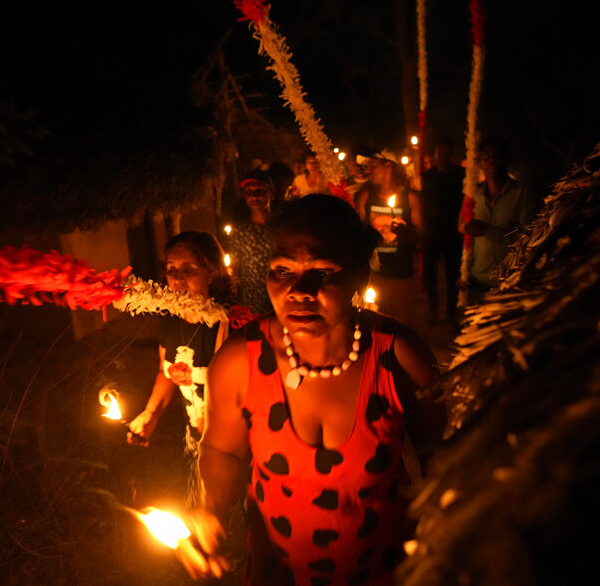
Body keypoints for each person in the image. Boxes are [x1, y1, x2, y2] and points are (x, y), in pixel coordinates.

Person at [177, 195, 446, 584]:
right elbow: (222, 449)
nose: (298, 291)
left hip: (382, 570)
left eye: (321, 272)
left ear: (360, 276)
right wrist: (209, 509)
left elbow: (440, 458)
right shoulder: (240, 360)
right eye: (282, 270)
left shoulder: (399, 356)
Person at [127, 232, 233, 451]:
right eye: (171, 270)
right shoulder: (171, 318)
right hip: (194, 440)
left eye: (188, 269)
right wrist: (151, 413)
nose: (177, 279)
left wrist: (216, 418)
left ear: (211, 273)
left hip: (229, 445)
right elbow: (165, 371)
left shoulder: (227, 323)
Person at [460, 138, 538, 303]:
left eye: (496, 156)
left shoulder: (522, 193)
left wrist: (487, 231)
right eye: (486, 157)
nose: (491, 160)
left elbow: (528, 240)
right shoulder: (473, 195)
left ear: (507, 159)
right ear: (480, 163)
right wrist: (464, 272)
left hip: (510, 282)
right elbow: (468, 238)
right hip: (477, 282)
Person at [354, 149, 424, 328]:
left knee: (400, 326)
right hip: (371, 275)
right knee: (370, 326)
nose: (368, 171)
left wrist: (405, 231)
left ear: (388, 166)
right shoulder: (366, 196)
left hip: (400, 274)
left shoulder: (410, 198)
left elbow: (423, 237)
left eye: (373, 166)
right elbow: (355, 232)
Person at [420, 136, 465, 326]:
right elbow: (424, 201)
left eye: (447, 153)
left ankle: (450, 311)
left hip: (453, 231)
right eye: (440, 153)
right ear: (435, 154)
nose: (443, 156)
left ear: (452, 154)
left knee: (452, 273)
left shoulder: (461, 174)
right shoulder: (428, 176)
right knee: (429, 273)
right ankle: (433, 307)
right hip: (432, 230)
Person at [229, 173, 275, 315]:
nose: (254, 196)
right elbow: (235, 263)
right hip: (251, 298)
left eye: (259, 191)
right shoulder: (240, 229)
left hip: (278, 294)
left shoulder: (281, 227)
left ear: (271, 193)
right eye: (249, 192)